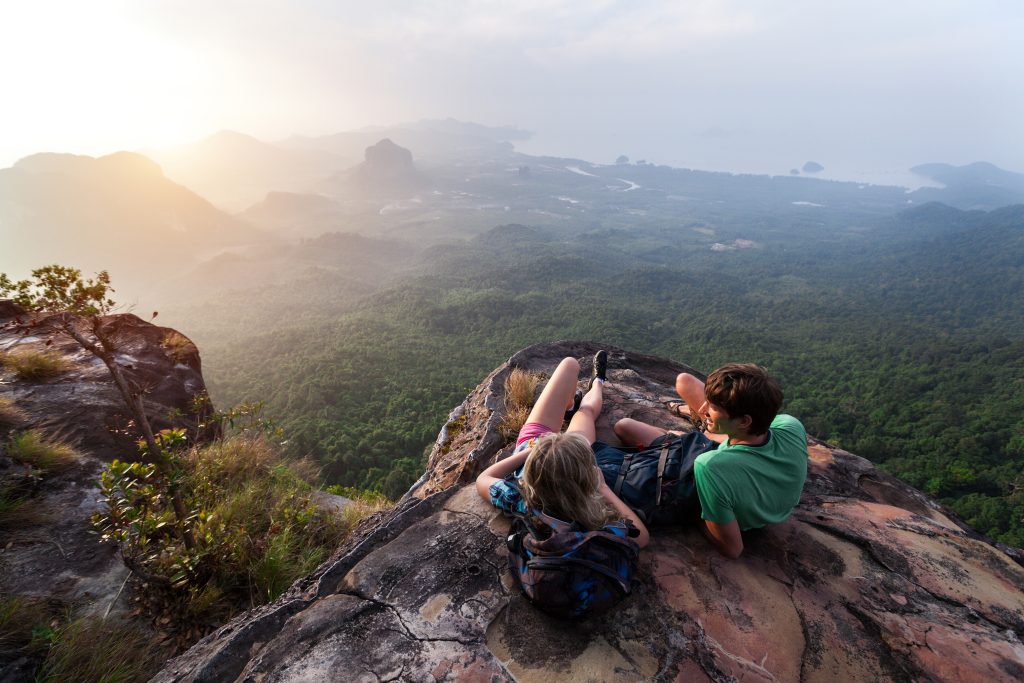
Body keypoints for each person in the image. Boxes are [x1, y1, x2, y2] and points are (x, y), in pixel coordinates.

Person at [612, 363, 807, 558]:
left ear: (744, 421)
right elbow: (757, 436)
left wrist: (700, 515)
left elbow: (732, 548)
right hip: (741, 467)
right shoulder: (791, 425)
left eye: (713, 407)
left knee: (625, 427)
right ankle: (704, 430)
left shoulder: (709, 467)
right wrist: (716, 436)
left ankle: (700, 431)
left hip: (718, 468)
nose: (703, 408)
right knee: (683, 381)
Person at [475, 353, 649, 548]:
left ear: (533, 476)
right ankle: (598, 383)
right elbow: (641, 538)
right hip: (559, 450)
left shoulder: (524, 503)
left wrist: (535, 451)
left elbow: (483, 479)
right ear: (585, 476)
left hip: (537, 444)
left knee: (569, 365)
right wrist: (603, 488)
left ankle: (570, 404)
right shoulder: (589, 514)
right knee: (585, 411)